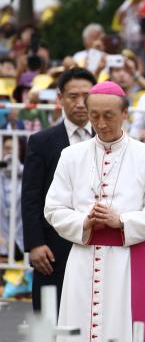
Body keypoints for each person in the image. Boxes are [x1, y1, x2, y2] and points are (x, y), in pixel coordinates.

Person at [44, 82, 145, 342]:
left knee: (122, 335)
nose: (101, 123)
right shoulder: (71, 156)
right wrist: (83, 223)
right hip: (82, 259)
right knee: (76, 335)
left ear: (125, 114)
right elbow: (53, 207)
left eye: (109, 116)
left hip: (127, 263)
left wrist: (122, 220)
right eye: (94, 116)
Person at [21, 67, 97, 312]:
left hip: (97, 244)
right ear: (60, 98)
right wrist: (34, 244)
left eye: (86, 96)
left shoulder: (112, 140)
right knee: (49, 320)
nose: (79, 103)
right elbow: (31, 197)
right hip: (52, 248)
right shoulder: (42, 141)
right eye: (72, 96)